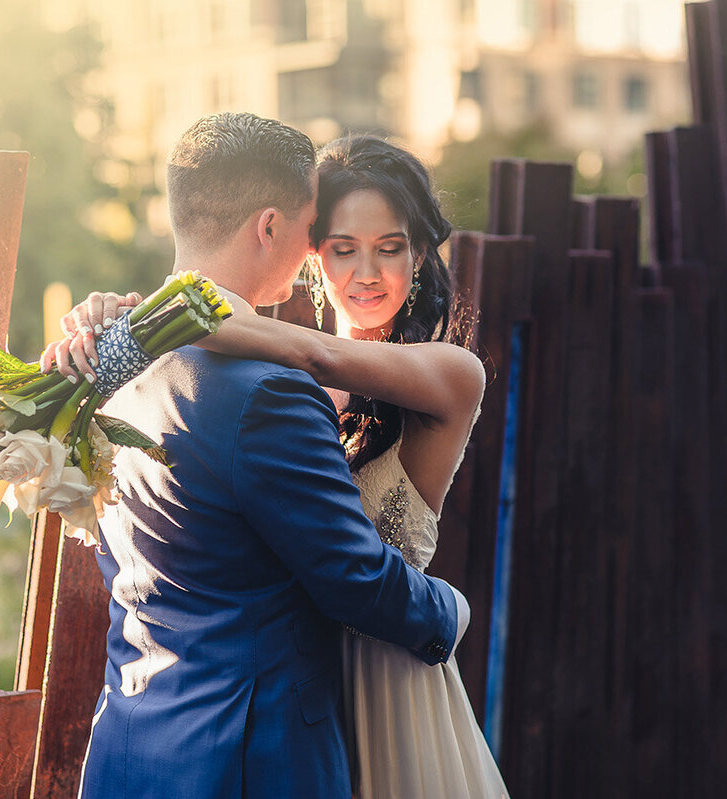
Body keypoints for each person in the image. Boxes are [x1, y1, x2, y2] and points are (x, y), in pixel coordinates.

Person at [50, 135, 508, 798]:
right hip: (289, 692)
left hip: (386, 669)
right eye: (342, 248)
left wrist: (153, 319)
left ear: (418, 252)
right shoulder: (272, 373)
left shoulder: (448, 371)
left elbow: (305, 355)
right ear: (311, 254)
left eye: (391, 247)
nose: (367, 273)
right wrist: (125, 325)